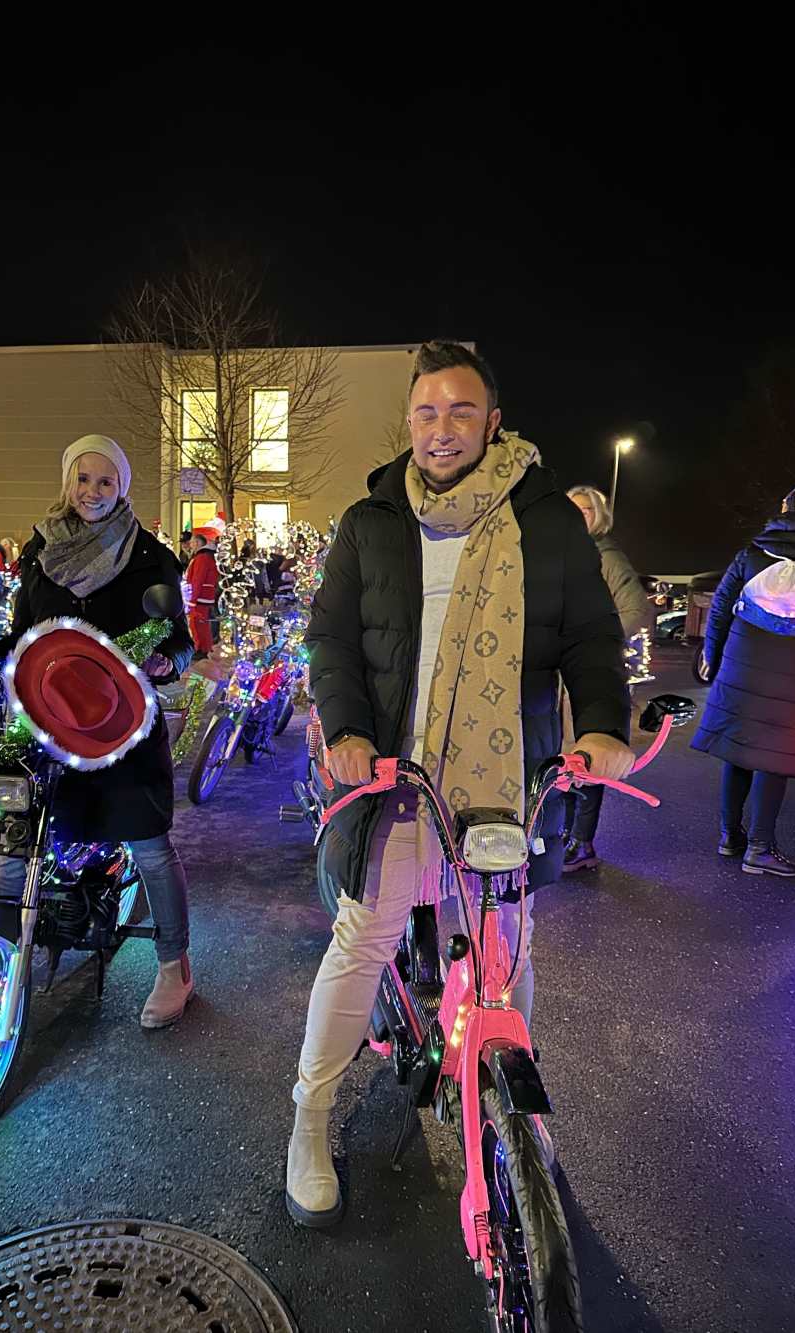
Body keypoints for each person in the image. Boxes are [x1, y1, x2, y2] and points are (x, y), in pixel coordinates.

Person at [285, 340, 633, 1227]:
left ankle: (515, 1100)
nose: (442, 430)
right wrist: (351, 730)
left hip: (502, 780)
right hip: (394, 776)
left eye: (461, 411)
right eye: (427, 412)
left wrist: (599, 724)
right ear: (410, 422)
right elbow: (331, 639)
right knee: (364, 939)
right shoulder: (371, 521)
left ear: (494, 422)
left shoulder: (547, 519)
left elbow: (592, 636)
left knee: (507, 951)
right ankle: (310, 1116)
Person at [0, 434, 197, 1026]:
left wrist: (167, 662)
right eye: (83, 480)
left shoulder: (149, 556)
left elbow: (182, 641)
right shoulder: (40, 550)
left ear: (122, 487)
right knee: (13, 842)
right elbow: (24, 633)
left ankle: (173, 965)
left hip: (119, 726)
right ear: (68, 482)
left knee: (150, 846)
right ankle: (2, 957)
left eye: (106, 482)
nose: (93, 492)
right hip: (45, 723)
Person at [690, 484, 795, 876]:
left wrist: (713, 655)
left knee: (739, 749)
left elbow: (721, 608)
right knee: (772, 757)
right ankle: (760, 848)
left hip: (742, 663)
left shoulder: (751, 554)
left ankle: (731, 837)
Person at [563, 484, 654, 871]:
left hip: (592, 673)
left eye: (585, 509)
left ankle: (582, 843)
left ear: (598, 515)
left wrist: (599, 643)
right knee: (562, 759)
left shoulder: (607, 558)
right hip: (559, 672)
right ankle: (556, 835)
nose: (577, 515)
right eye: (570, 509)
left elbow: (636, 610)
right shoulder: (559, 554)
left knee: (589, 759)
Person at [185, 527, 219, 659]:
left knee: (198, 623)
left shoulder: (202, 558)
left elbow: (197, 579)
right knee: (200, 623)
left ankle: (201, 648)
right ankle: (203, 647)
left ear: (198, 543)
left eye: (192, 542)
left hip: (200, 597)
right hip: (202, 596)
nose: (190, 545)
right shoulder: (204, 557)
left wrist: (192, 599)